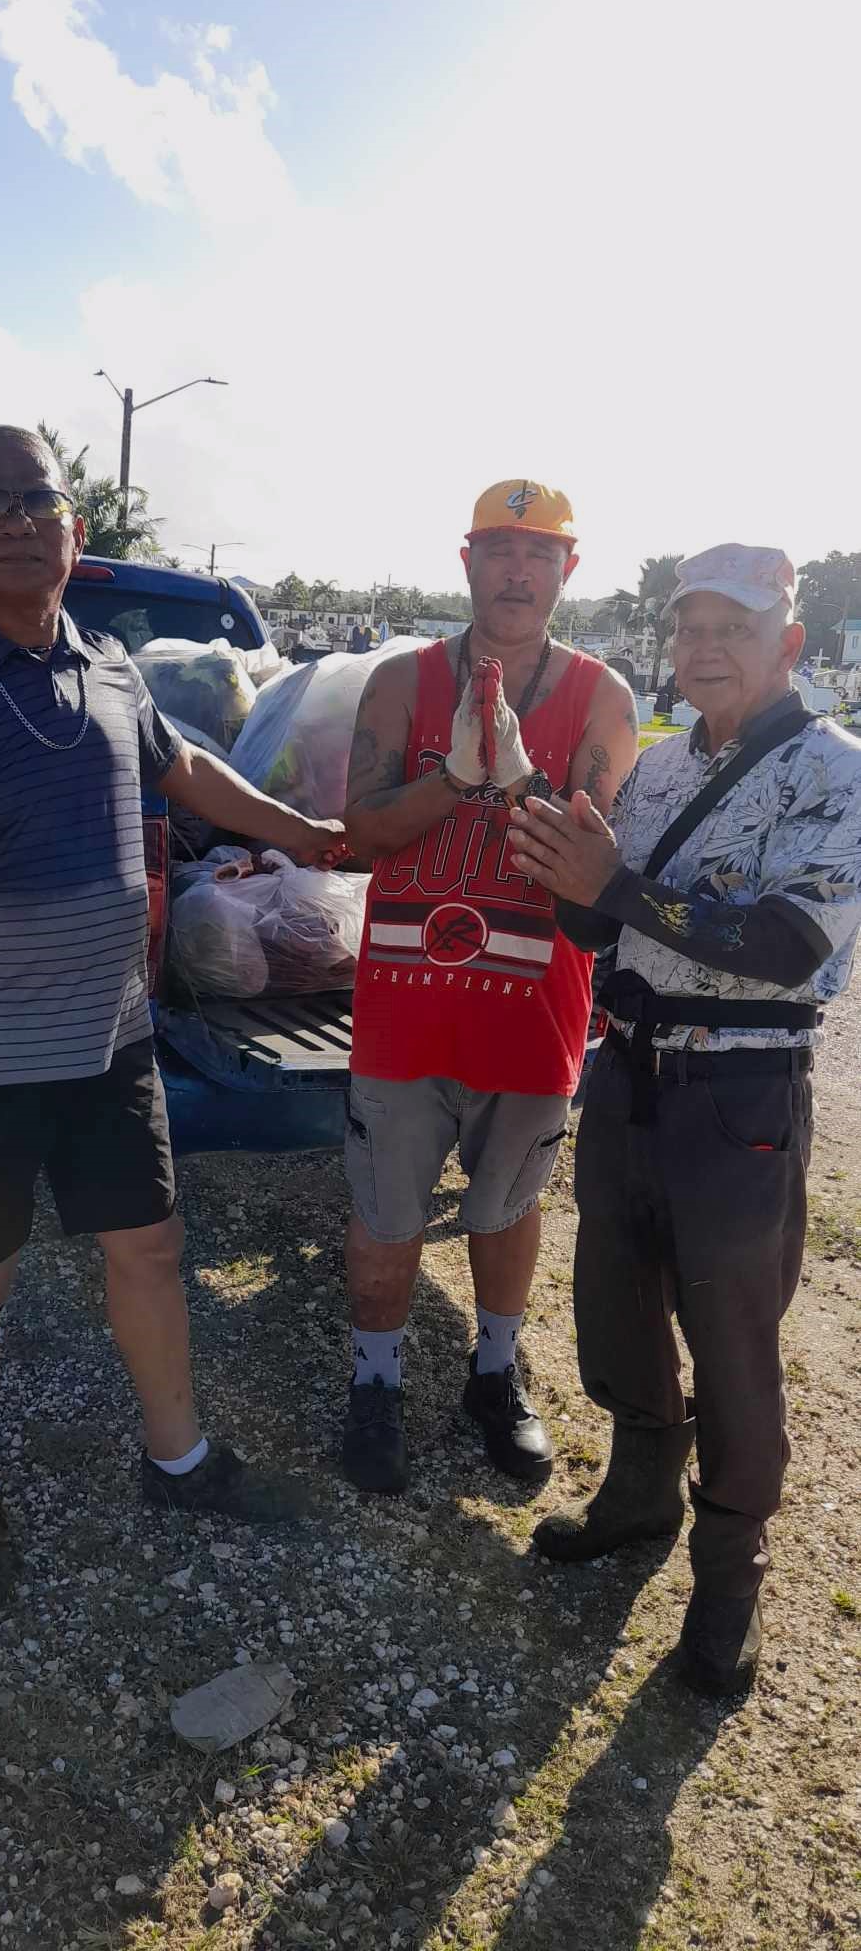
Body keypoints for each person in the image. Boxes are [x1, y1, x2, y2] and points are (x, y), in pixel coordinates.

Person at [0, 424, 346, 1612]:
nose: (16, 518)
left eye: (37, 500)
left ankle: (179, 1459)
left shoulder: (112, 665)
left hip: (111, 1040)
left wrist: (298, 830)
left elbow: (184, 771)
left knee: (149, 1248)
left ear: (76, 529)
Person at [511, 544, 861, 1695]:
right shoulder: (658, 769)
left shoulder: (836, 773)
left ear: (790, 643)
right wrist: (563, 872)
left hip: (742, 1092)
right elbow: (603, 928)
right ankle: (639, 1491)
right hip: (628, 1070)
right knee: (613, 1299)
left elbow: (785, 945)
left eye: (734, 628)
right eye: (689, 626)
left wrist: (613, 886)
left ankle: (728, 1581)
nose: (704, 648)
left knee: (733, 1337)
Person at [340, 481, 639, 1494]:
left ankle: (495, 1374)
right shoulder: (402, 681)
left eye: (539, 554)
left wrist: (512, 777)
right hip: (406, 1003)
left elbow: (591, 862)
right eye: (500, 551)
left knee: (507, 1208)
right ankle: (374, 1382)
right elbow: (362, 833)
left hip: (533, 1006)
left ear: (568, 569)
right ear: (466, 560)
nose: (518, 572)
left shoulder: (601, 697)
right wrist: (453, 777)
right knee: (386, 1217)